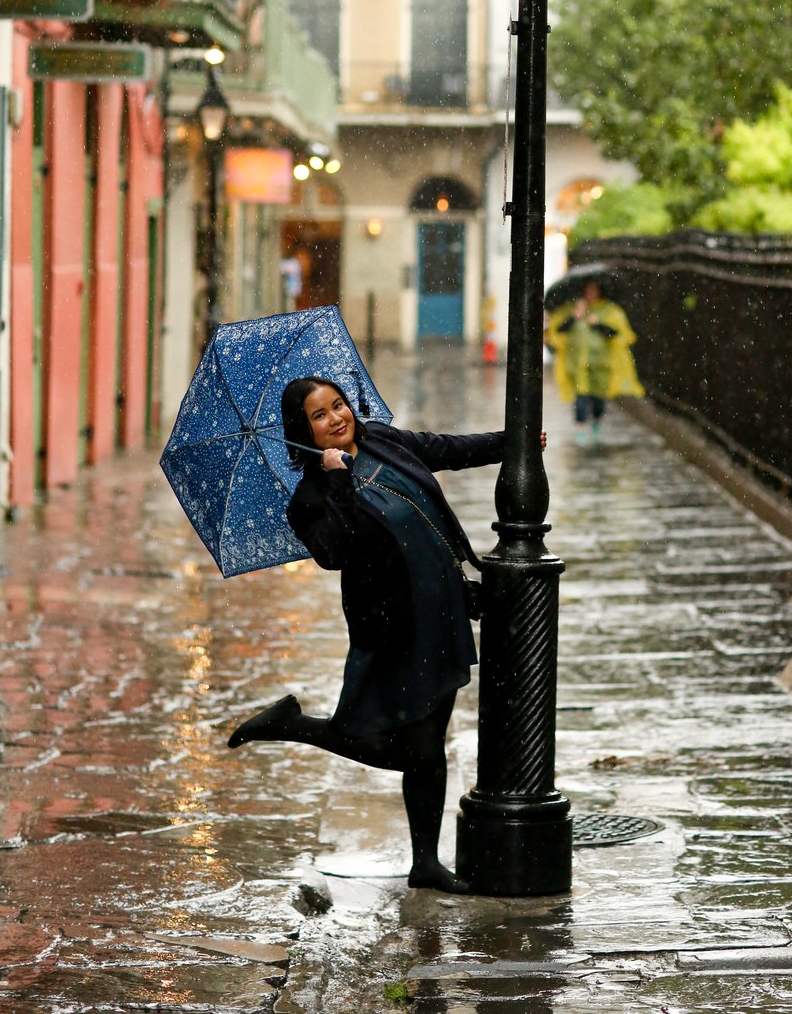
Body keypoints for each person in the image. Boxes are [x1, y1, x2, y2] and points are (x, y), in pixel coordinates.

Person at [227, 377, 545, 893]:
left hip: (441, 609)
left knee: (430, 742)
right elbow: (335, 552)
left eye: (338, 405)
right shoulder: (310, 498)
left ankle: (425, 862)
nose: (337, 418)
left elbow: (445, 450)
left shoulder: (383, 441)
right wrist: (336, 481)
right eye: (319, 415)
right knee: (410, 748)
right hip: (394, 628)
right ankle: (295, 725)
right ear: (303, 431)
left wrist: (513, 442)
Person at [546, 280, 643, 441]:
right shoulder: (572, 308)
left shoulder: (609, 310)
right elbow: (557, 331)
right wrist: (574, 317)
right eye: (588, 289)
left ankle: (596, 422)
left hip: (601, 365)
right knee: (581, 397)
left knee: (598, 399)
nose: (591, 293)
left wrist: (598, 324)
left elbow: (618, 333)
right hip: (577, 365)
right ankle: (581, 428)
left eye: (594, 290)